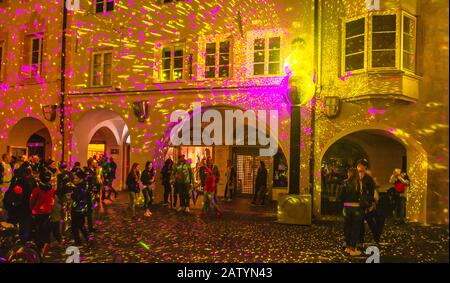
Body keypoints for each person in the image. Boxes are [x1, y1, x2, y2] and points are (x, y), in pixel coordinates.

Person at [29, 169, 55, 257]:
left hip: (37, 213)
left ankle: (39, 247)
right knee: (45, 230)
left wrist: (31, 209)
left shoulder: (37, 190)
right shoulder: (52, 190)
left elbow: (31, 201)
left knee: (36, 231)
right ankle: (46, 243)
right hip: (47, 212)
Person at [339, 168, 363, 256]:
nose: (347, 174)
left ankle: (348, 247)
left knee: (347, 227)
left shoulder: (344, 182)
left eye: (348, 173)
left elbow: (340, 195)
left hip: (346, 207)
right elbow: (361, 195)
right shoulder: (359, 183)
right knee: (355, 228)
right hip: (356, 207)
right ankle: (353, 248)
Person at [356, 159, 377, 247]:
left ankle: (376, 236)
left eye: (361, 165)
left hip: (365, 202)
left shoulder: (368, 179)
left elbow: (371, 192)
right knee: (360, 221)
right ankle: (360, 240)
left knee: (369, 220)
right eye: (358, 165)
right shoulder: (356, 177)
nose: (359, 167)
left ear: (365, 167)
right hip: (357, 202)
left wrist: (369, 202)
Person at [70, 169, 90, 246]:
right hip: (81, 209)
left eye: (76, 178)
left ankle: (80, 241)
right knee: (79, 225)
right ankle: (83, 240)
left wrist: (72, 194)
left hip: (78, 209)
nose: (74, 180)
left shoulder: (79, 187)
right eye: (74, 178)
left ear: (80, 179)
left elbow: (77, 198)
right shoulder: (83, 185)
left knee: (77, 225)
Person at [83, 158, 99, 233]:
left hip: (92, 193)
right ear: (91, 163)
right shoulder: (88, 172)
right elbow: (86, 183)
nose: (96, 164)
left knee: (91, 210)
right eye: (95, 162)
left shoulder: (93, 171)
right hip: (88, 194)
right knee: (88, 210)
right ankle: (87, 227)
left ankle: (90, 227)